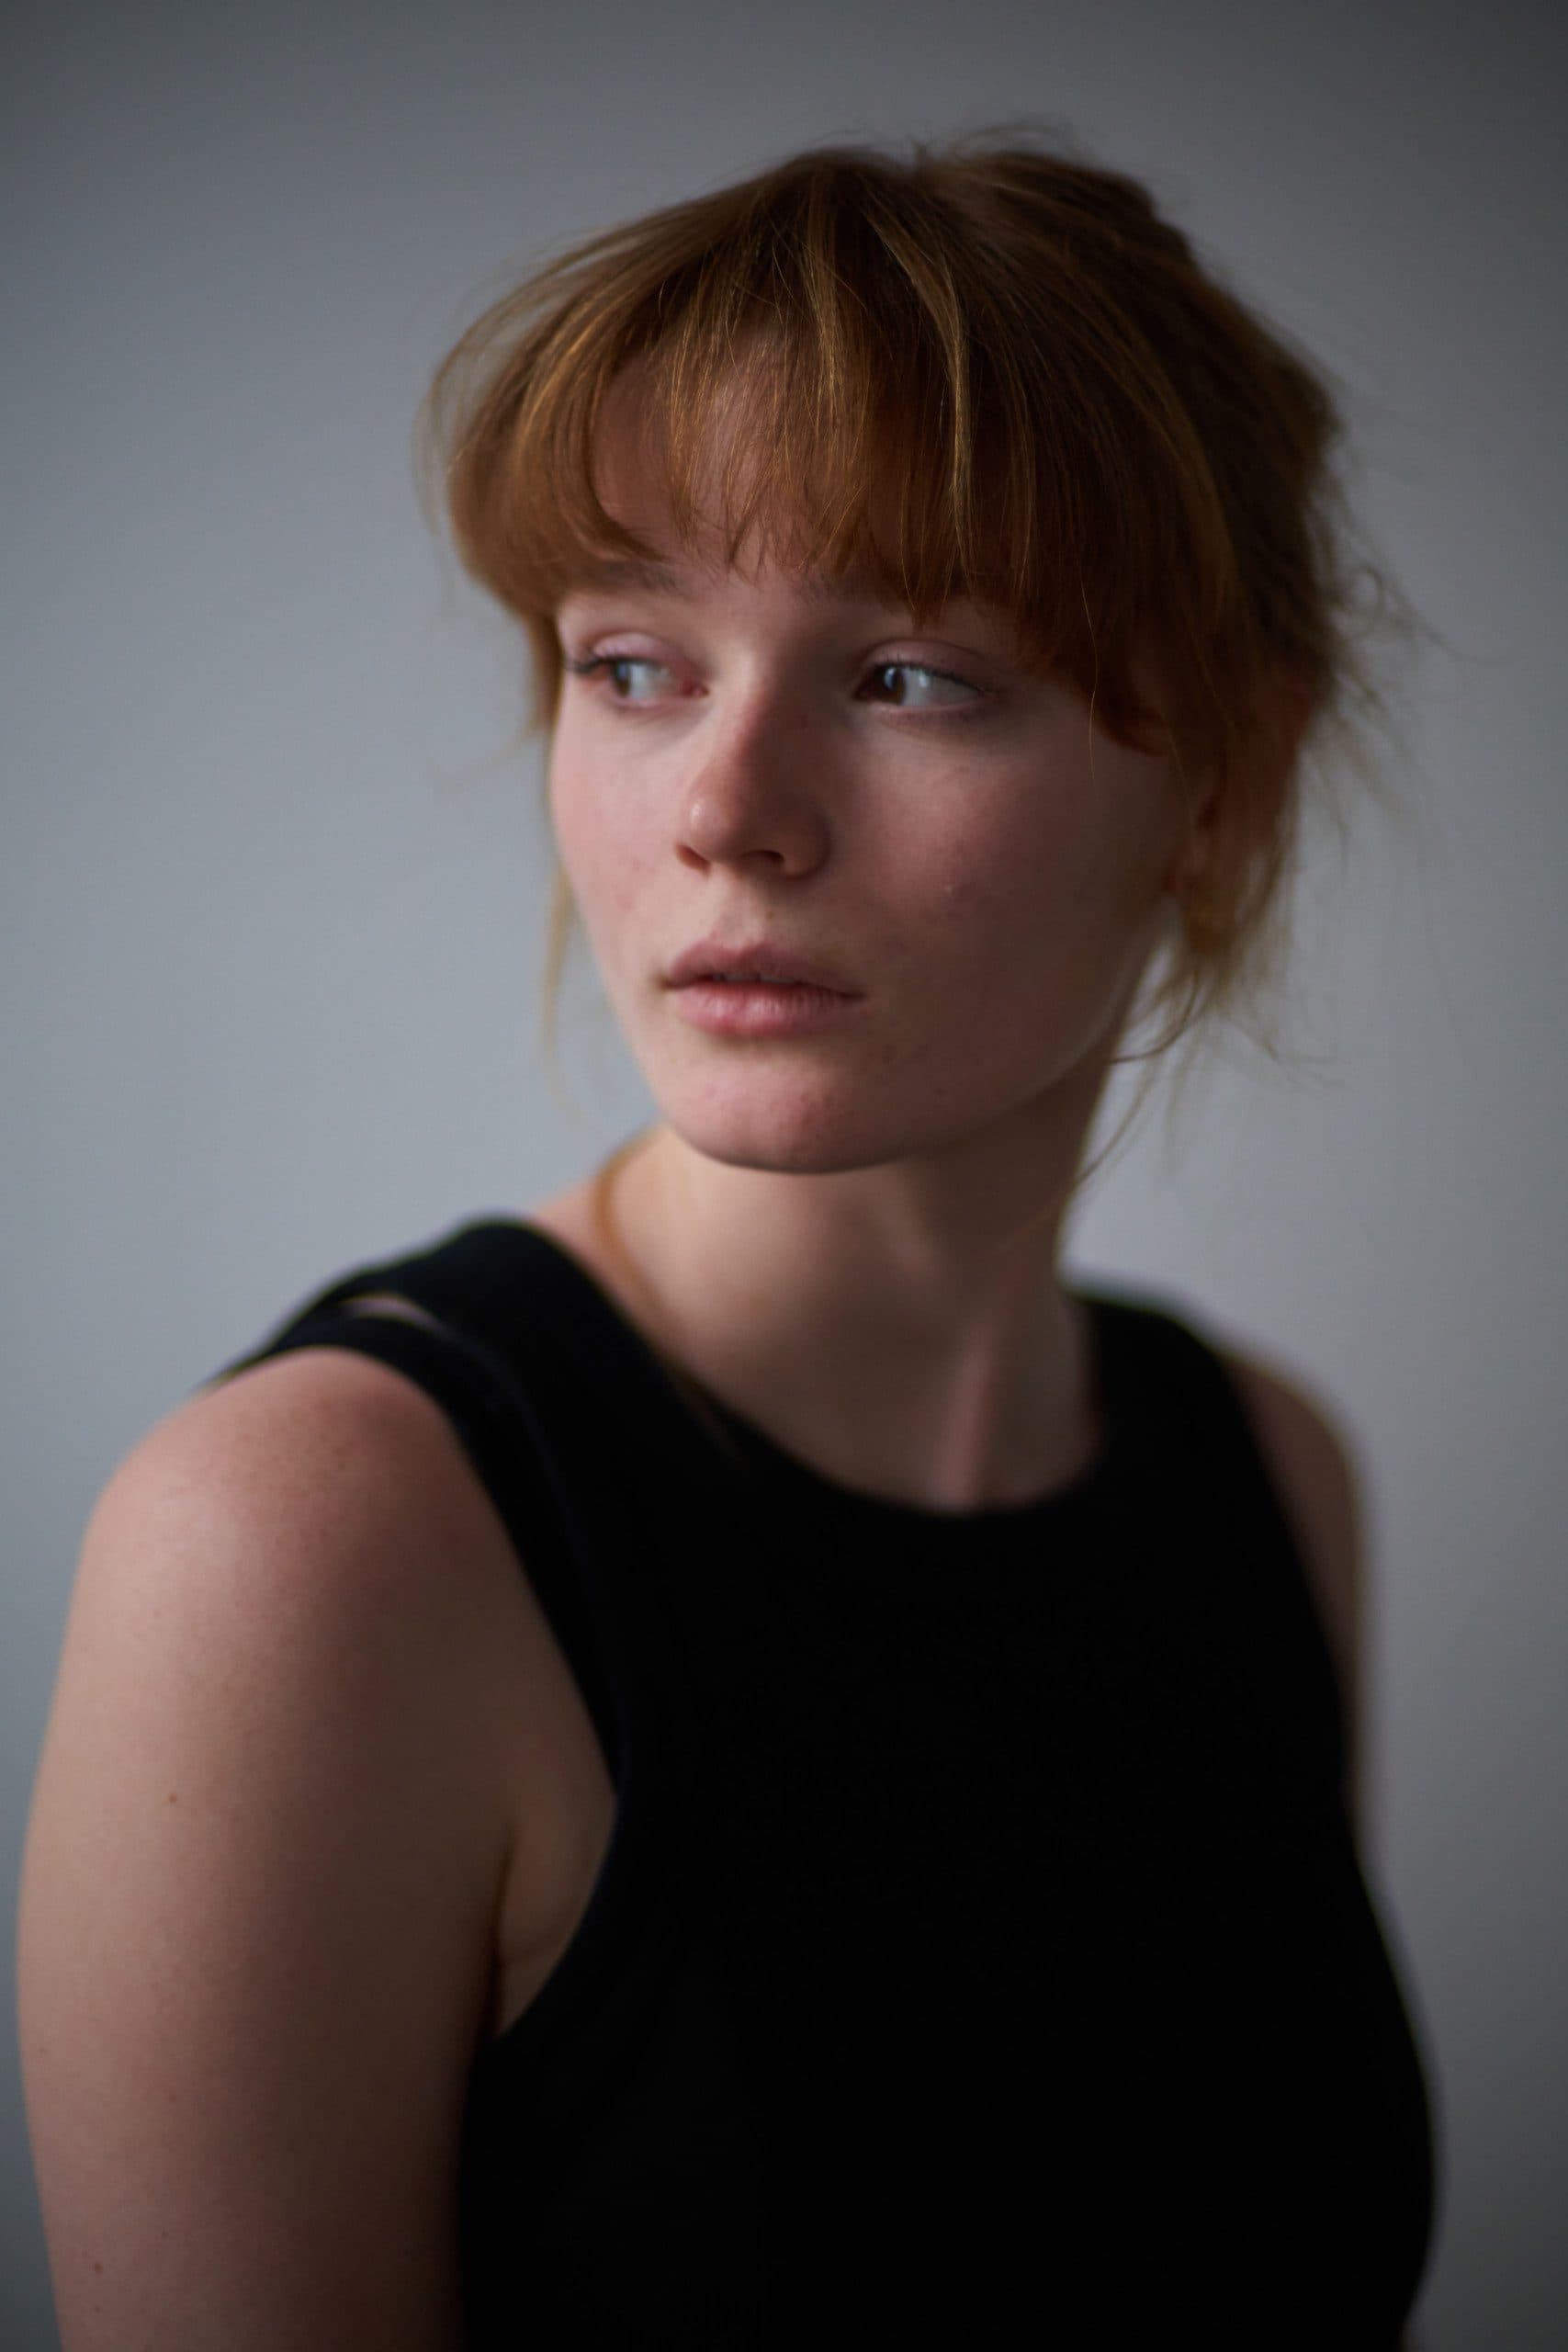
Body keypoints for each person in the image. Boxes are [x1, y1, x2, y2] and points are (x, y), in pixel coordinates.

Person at [18, 130, 1438, 2346]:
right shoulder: (309, 1549)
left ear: (1220, 784)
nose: (722, 809)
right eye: (631, 661)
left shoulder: (1266, 1470)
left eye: (910, 675)